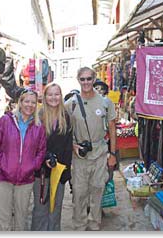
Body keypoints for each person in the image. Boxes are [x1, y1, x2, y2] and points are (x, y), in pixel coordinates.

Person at [65, 67, 117, 231]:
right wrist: (73, 146)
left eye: (89, 78)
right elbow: (64, 130)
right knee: (79, 193)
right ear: (78, 80)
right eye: (83, 79)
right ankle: (79, 225)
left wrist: (113, 154)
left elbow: (112, 129)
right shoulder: (70, 104)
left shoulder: (105, 102)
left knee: (97, 190)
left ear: (94, 79)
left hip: (100, 152)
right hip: (79, 154)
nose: (86, 82)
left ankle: (95, 224)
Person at [0, 88, 47, 231]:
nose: (29, 105)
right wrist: (1, 164)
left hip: (25, 179)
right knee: (4, 219)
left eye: (33, 102)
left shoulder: (39, 127)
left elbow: (41, 151)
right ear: (20, 102)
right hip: (2, 178)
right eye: (26, 101)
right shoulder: (5, 121)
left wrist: (32, 166)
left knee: (21, 218)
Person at [31, 83, 73, 231]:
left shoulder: (66, 116)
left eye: (57, 94)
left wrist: (66, 172)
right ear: (44, 96)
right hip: (41, 171)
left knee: (55, 208)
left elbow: (68, 146)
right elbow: (33, 144)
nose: (53, 97)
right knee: (40, 208)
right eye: (50, 94)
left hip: (59, 171)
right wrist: (44, 159)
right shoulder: (38, 116)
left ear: (61, 96)